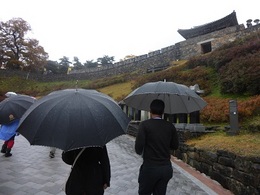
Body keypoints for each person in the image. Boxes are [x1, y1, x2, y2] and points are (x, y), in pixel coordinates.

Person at [135, 99, 179, 195]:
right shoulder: (170, 126)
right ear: (163, 112)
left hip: (150, 168)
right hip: (165, 168)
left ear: (150, 111)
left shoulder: (145, 125)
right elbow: (175, 146)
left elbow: (138, 148)